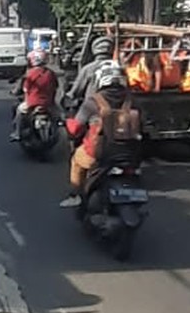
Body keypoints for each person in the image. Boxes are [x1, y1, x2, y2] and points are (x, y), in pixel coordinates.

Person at [60, 59, 142, 206]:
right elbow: (143, 125)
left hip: (98, 155)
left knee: (76, 160)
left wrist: (68, 122)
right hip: (130, 154)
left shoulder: (93, 102)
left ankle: (75, 195)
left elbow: (75, 129)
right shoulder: (133, 101)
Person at [9, 46, 59, 140]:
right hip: (48, 103)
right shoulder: (51, 73)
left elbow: (25, 89)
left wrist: (15, 92)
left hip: (32, 103)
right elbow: (56, 86)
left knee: (19, 111)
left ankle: (17, 133)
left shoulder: (30, 74)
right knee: (59, 117)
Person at [68, 36, 115, 109]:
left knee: (75, 120)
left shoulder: (88, 68)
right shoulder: (120, 68)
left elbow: (76, 91)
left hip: (93, 107)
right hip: (116, 108)